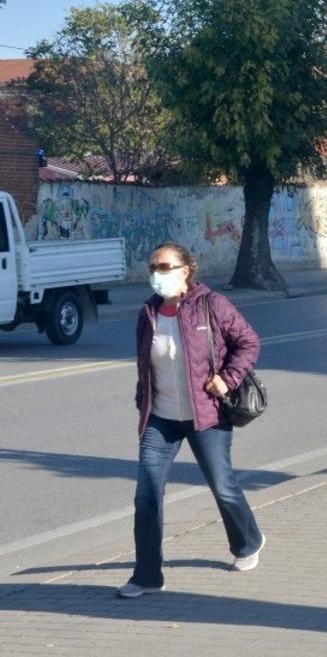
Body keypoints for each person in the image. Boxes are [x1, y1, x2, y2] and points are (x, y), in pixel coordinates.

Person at [119, 242, 264, 598]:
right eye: (152, 267)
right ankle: (148, 575)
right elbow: (145, 368)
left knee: (222, 486)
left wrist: (226, 379)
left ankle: (249, 541)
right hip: (161, 418)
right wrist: (144, 405)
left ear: (185, 270)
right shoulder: (148, 313)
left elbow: (249, 342)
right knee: (146, 496)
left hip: (206, 416)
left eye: (164, 266)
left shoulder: (210, 305)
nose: (156, 274)